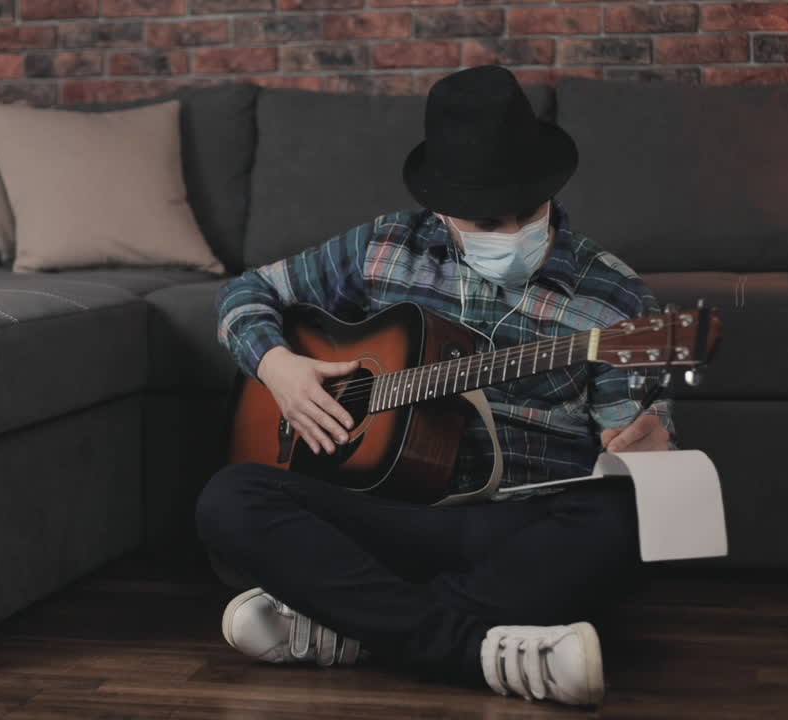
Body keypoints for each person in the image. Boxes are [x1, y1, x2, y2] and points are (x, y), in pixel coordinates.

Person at [196, 65, 675, 710]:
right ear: (441, 205)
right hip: (388, 516)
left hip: (521, 526)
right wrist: (279, 367)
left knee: (626, 521)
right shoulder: (384, 246)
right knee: (230, 499)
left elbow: (630, 443)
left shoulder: (617, 297)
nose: (510, 234)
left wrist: (648, 442)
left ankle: (362, 627)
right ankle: (483, 647)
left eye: (523, 212)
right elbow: (246, 291)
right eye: (484, 220)